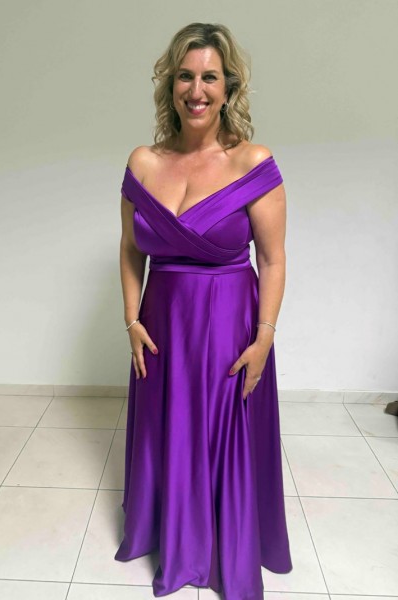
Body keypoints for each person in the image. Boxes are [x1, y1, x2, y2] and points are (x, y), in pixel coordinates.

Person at [115, 22, 293, 600]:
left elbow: (272, 259)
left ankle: (223, 546)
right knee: (169, 430)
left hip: (227, 327)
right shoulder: (143, 161)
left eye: (210, 77)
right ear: (170, 85)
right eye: (185, 76)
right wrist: (131, 319)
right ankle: (172, 534)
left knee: (222, 434)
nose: (197, 90)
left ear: (228, 87)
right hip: (162, 325)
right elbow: (130, 249)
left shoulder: (252, 161)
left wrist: (264, 337)